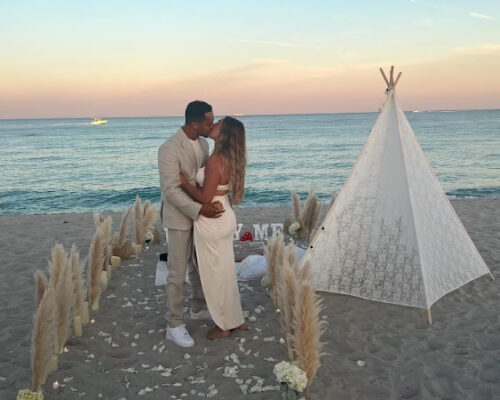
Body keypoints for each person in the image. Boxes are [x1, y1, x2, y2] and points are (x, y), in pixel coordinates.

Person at [158, 100, 223, 347]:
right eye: (208, 122)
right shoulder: (169, 148)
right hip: (179, 217)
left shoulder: (205, 144)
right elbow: (171, 190)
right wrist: (200, 210)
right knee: (177, 271)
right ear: (194, 123)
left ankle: (198, 307)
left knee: (199, 264)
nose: (212, 125)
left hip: (200, 213)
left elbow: (203, 181)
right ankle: (174, 325)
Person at [180, 116, 248, 339]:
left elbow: (205, 197)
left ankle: (222, 325)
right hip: (225, 214)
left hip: (213, 220)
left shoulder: (216, 159)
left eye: (218, 123)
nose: (213, 124)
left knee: (214, 274)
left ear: (224, 132)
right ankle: (236, 320)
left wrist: (183, 183)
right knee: (226, 271)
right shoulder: (231, 158)